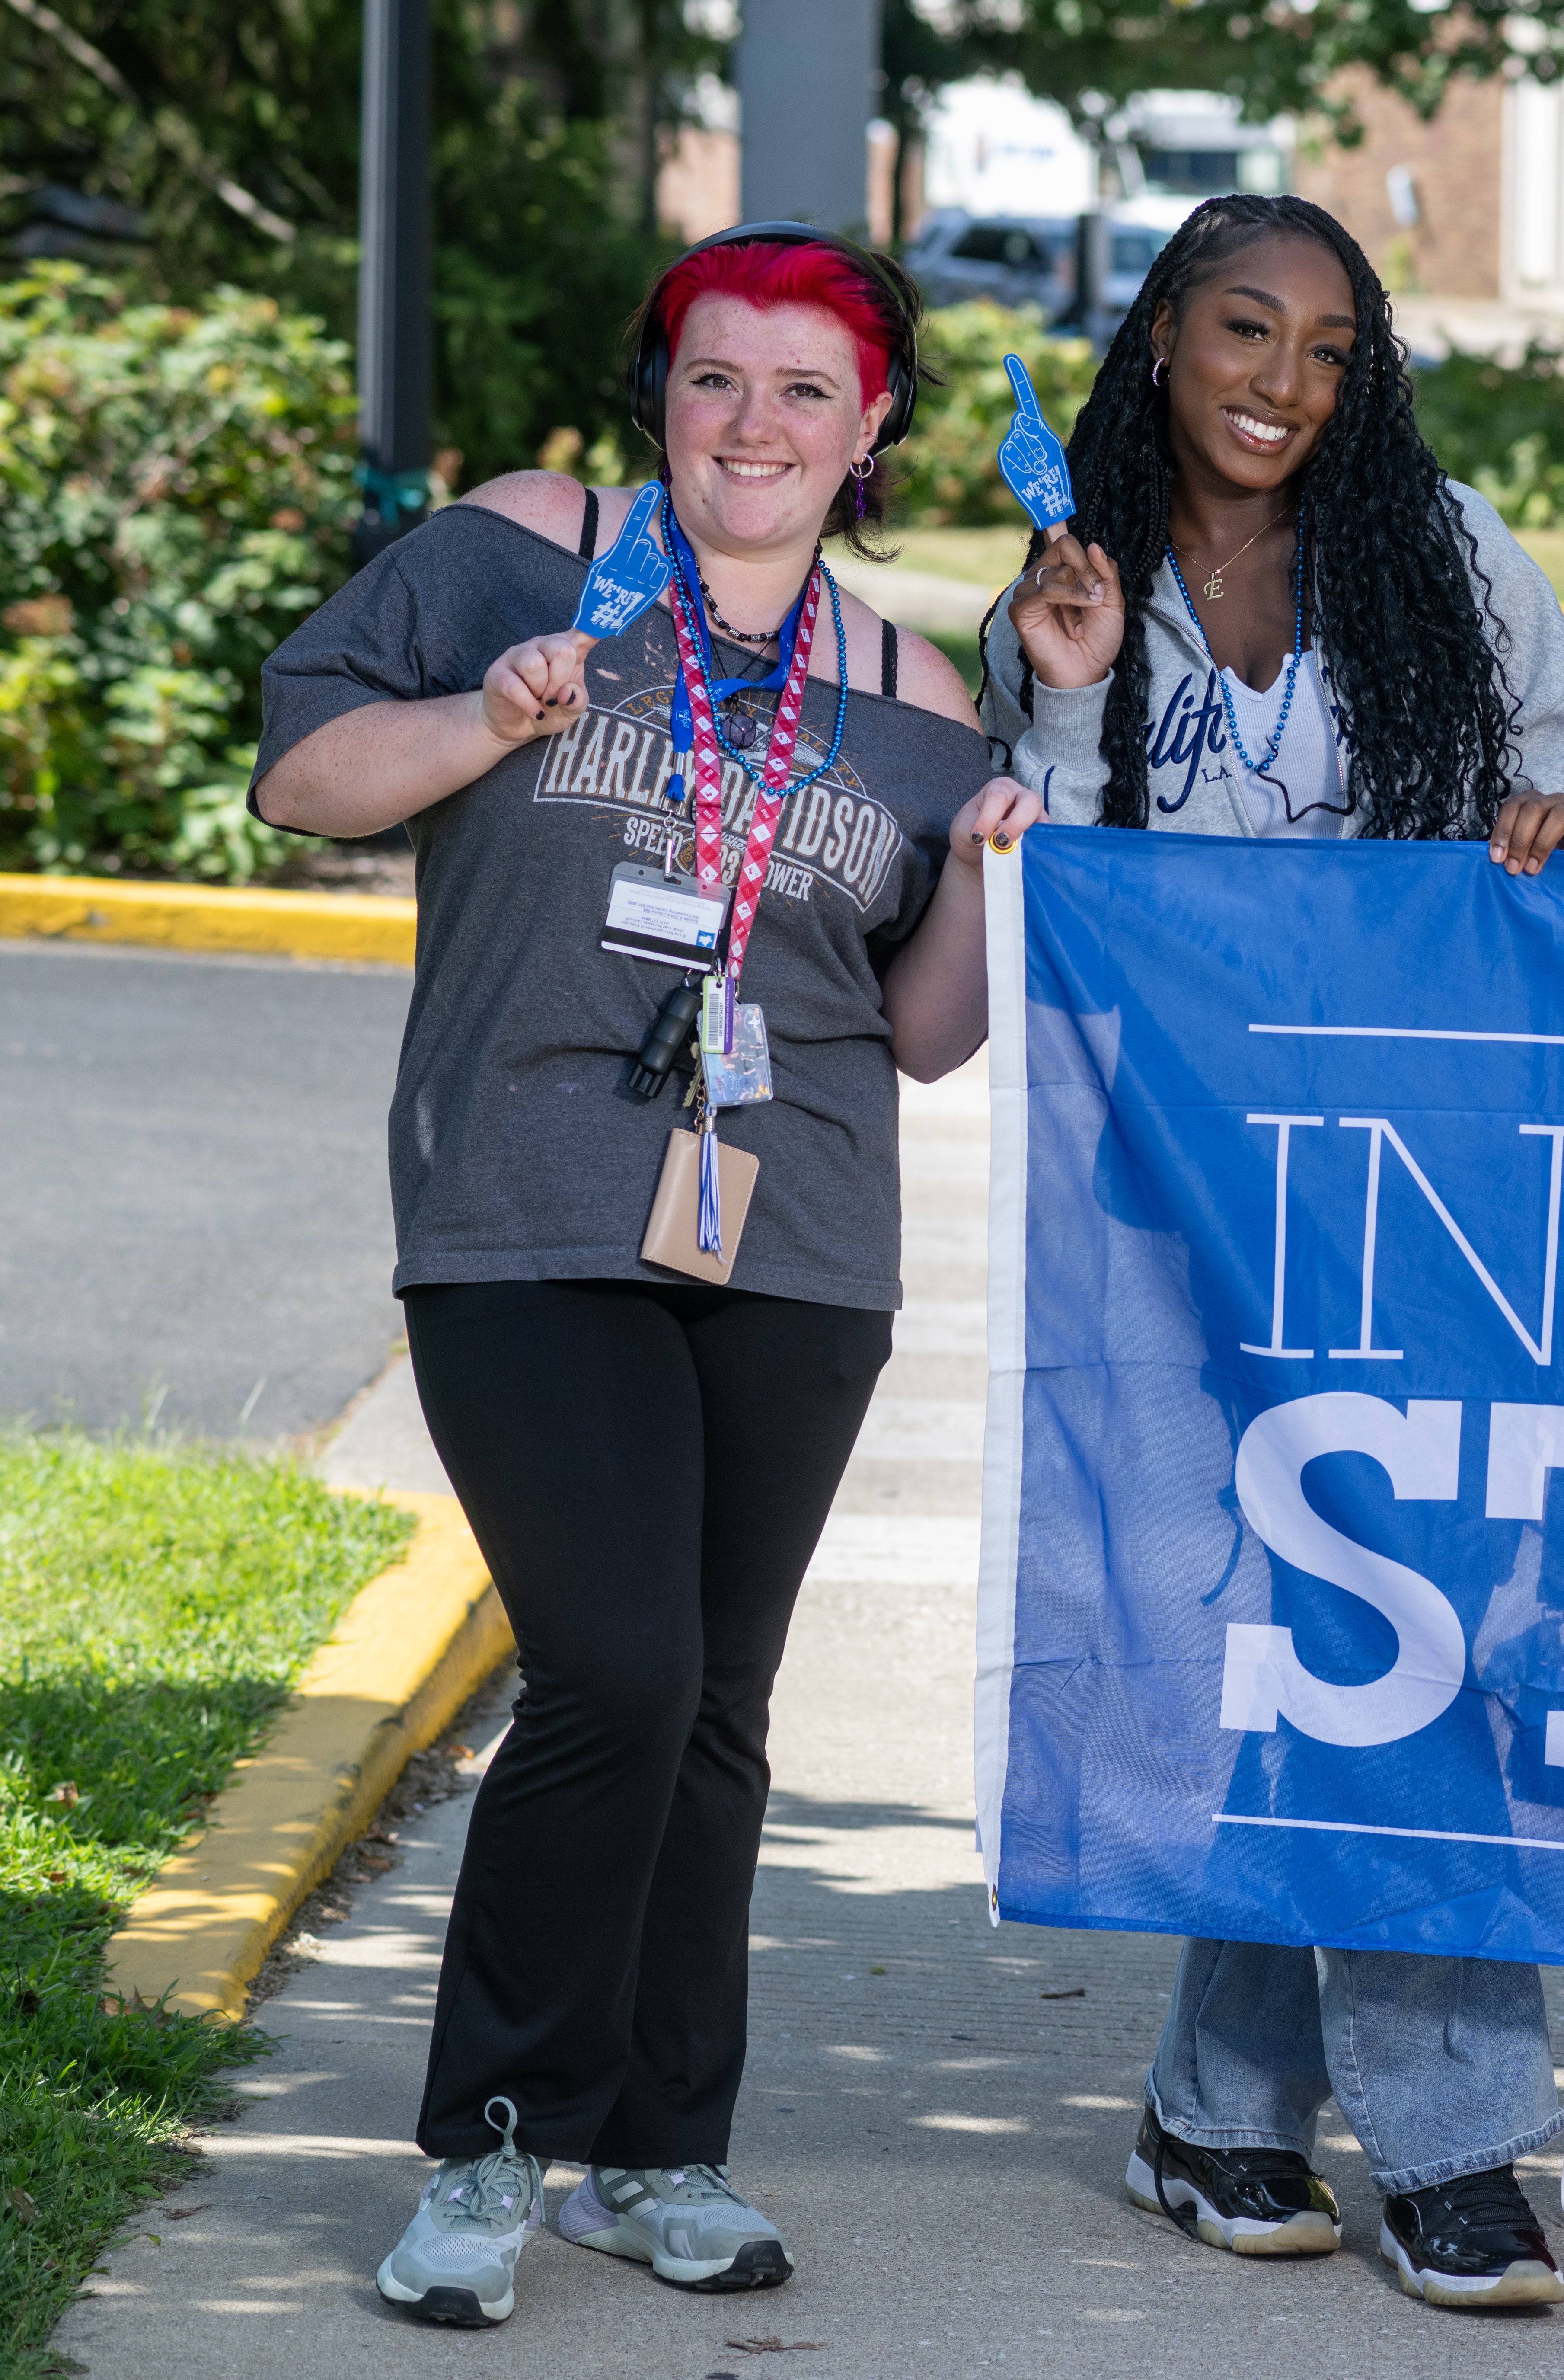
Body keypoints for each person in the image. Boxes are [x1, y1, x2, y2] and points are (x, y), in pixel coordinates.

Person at [251, 223, 1044, 2329]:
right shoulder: (525, 554)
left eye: (805, 388)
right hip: (523, 1202)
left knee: (714, 1702)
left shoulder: (913, 689)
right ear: (659, 393)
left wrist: (985, 873)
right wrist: (481, 713)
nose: (753, 423)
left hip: (795, 1236)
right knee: (610, 1666)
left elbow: (931, 1026)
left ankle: (663, 2148)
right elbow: (301, 772)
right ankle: (492, 2139)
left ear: (869, 428)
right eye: (714, 376)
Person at [981, 190, 1564, 2313]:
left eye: (1328, 348)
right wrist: (1070, 699)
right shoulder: (1074, 581)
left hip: (1417, 1192)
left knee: (1382, 1615)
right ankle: (1364, 2130)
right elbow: (1054, 893)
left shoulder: (1438, 549)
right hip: (1178, 1197)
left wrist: (1552, 823)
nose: (1281, 382)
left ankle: (1279, 2113)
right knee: (1342, 1625)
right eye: (1244, 330)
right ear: (1164, 331)